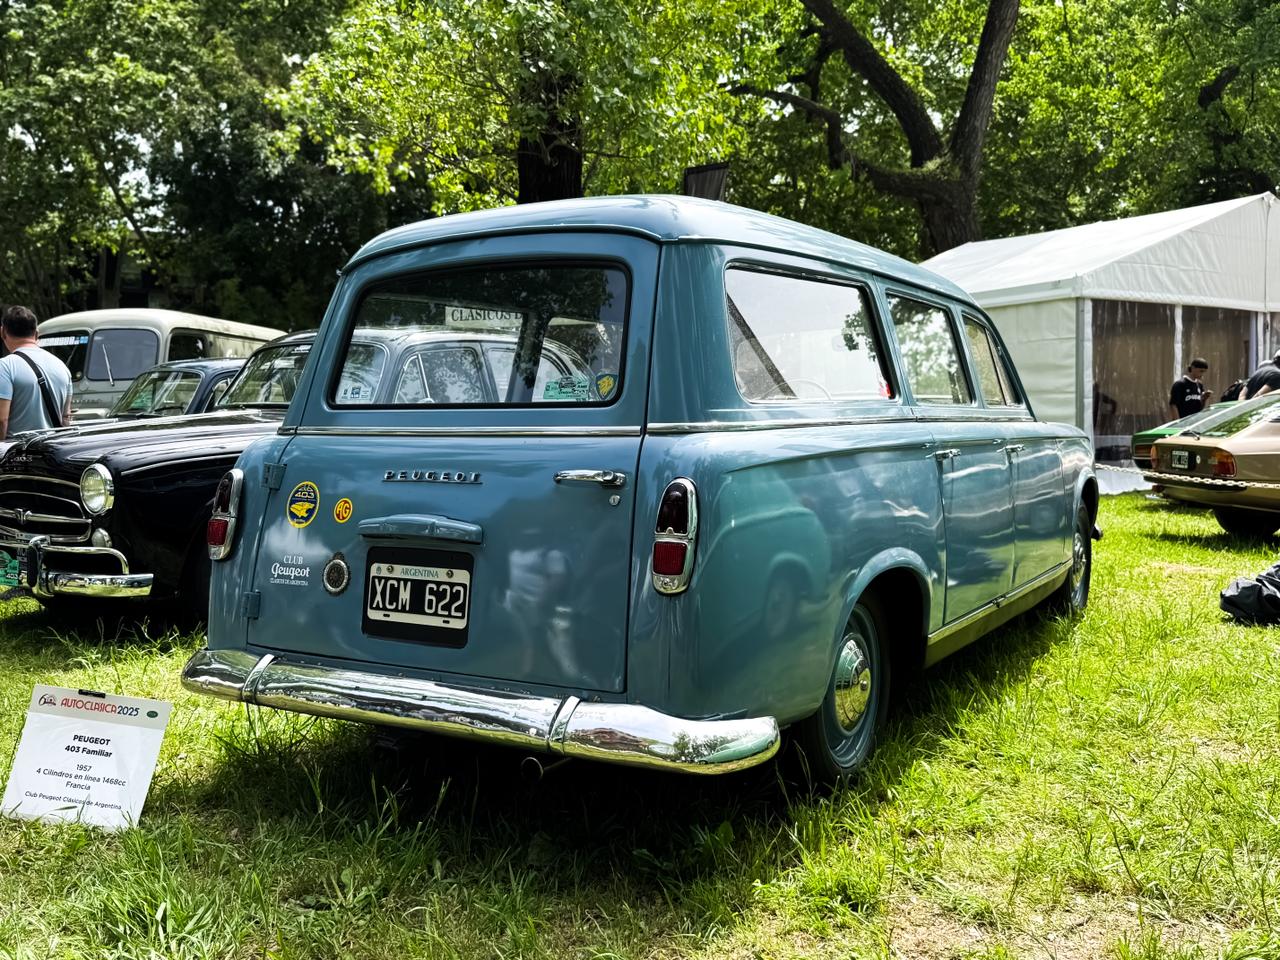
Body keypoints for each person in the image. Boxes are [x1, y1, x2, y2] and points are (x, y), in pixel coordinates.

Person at [0, 305, 72, 440]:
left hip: (17, 453)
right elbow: (65, 418)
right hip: (51, 451)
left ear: (3, 332)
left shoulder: (5, 366)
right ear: (37, 334)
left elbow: (1, 420)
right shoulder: (62, 366)